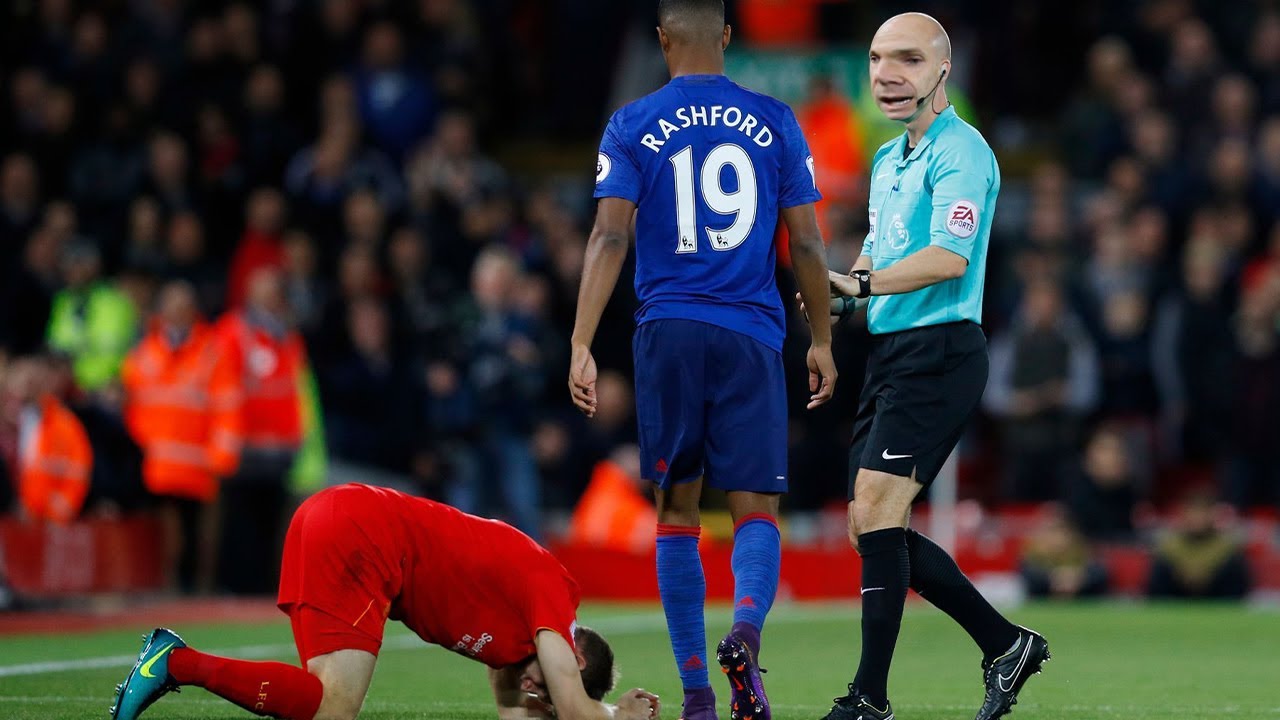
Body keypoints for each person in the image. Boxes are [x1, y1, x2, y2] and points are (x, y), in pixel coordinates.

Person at [569, 2, 838, 719]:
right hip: (751, 331)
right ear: (725, 35)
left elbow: (607, 238)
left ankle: (695, 696)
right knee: (756, 508)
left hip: (669, 334)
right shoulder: (775, 119)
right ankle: (745, 633)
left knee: (676, 512)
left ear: (661, 40)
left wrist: (580, 342)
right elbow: (808, 245)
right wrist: (821, 340)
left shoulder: (631, 123)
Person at [809, 14, 1048, 720]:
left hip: (942, 350)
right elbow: (876, 259)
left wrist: (859, 286)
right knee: (867, 527)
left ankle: (869, 700)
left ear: (943, 71)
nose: (887, 74)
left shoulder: (963, 153)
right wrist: (836, 294)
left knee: (879, 513)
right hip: (892, 352)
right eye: (878, 58)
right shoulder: (888, 159)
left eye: (908, 60)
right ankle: (1006, 645)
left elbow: (949, 257)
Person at [110, 483, 660, 720]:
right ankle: (173, 662)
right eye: (554, 677)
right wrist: (620, 713)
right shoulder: (555, 597)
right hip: (363, 537)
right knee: (334, 707)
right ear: (575, 655)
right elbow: (570, 705)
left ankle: (172, 661)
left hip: (339, 521)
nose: (535, 686)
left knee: (319, 702)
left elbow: (514, 704)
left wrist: (553, 705)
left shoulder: (516, 647)